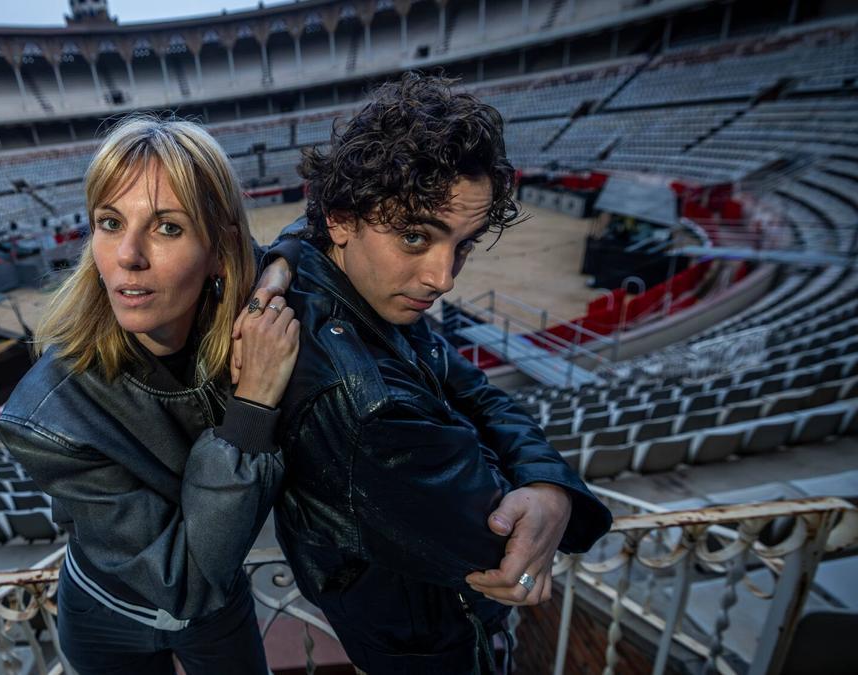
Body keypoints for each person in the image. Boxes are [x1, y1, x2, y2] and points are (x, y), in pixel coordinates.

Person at [257, 73, 614, 673]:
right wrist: (539, 488)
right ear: (341, 219)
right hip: (432, 637)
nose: (442, 278)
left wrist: (547, 487)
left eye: (463, 245)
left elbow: (471, 387)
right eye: (416, 237)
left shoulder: (335, 267)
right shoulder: (368, 408)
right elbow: (504, 540)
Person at [0, 116, 299, 675]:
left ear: (219, 249)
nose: (128, 255)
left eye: (167, 229)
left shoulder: (239, 303)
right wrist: (251, 407)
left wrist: (276, 274)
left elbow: (311, 243)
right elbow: (185, 583)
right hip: (106, 618)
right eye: (110, 222)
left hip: (219, 614)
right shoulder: (45, 417)